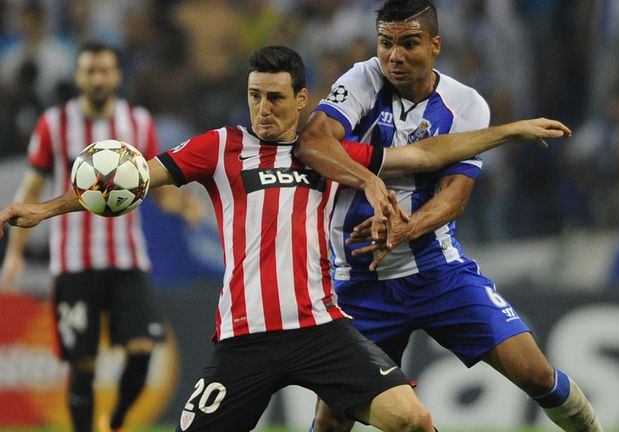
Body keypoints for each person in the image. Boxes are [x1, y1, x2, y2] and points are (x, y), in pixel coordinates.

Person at [0, 45, 572, 432]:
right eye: (254, 96)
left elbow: (422, 153)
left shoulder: (323, 154)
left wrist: (507, 132)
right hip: (243, 338)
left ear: (302, 100)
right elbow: (131, 177)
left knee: (414, 420)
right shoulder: (219, 146)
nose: (263, 109)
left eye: (275, 98)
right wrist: (47, 208)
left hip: (321, 328)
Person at [294, 1, 603, 431]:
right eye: (385, 43)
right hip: (361, 282)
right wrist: (368, 181)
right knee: (330, 421)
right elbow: (311, 144)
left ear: (435, 45)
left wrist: (407, 228)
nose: (394, 56)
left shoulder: (466, 105)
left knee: (535, 372)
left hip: (438, 273)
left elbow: (454, 197)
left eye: (408, 43)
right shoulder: (363, 79)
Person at [0, 41, 201, 432]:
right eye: (91, 71)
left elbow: (156, 187)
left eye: (105, 70)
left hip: (127, 260)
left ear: (117, 75)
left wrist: (185, 206)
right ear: (79, 76)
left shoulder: (138, 123)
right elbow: (32, 188)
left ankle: (118, 420)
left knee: (143, 351)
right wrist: (15, 253)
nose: (98, 78)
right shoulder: (54, 124)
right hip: (74, 262)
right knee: (83, 364)